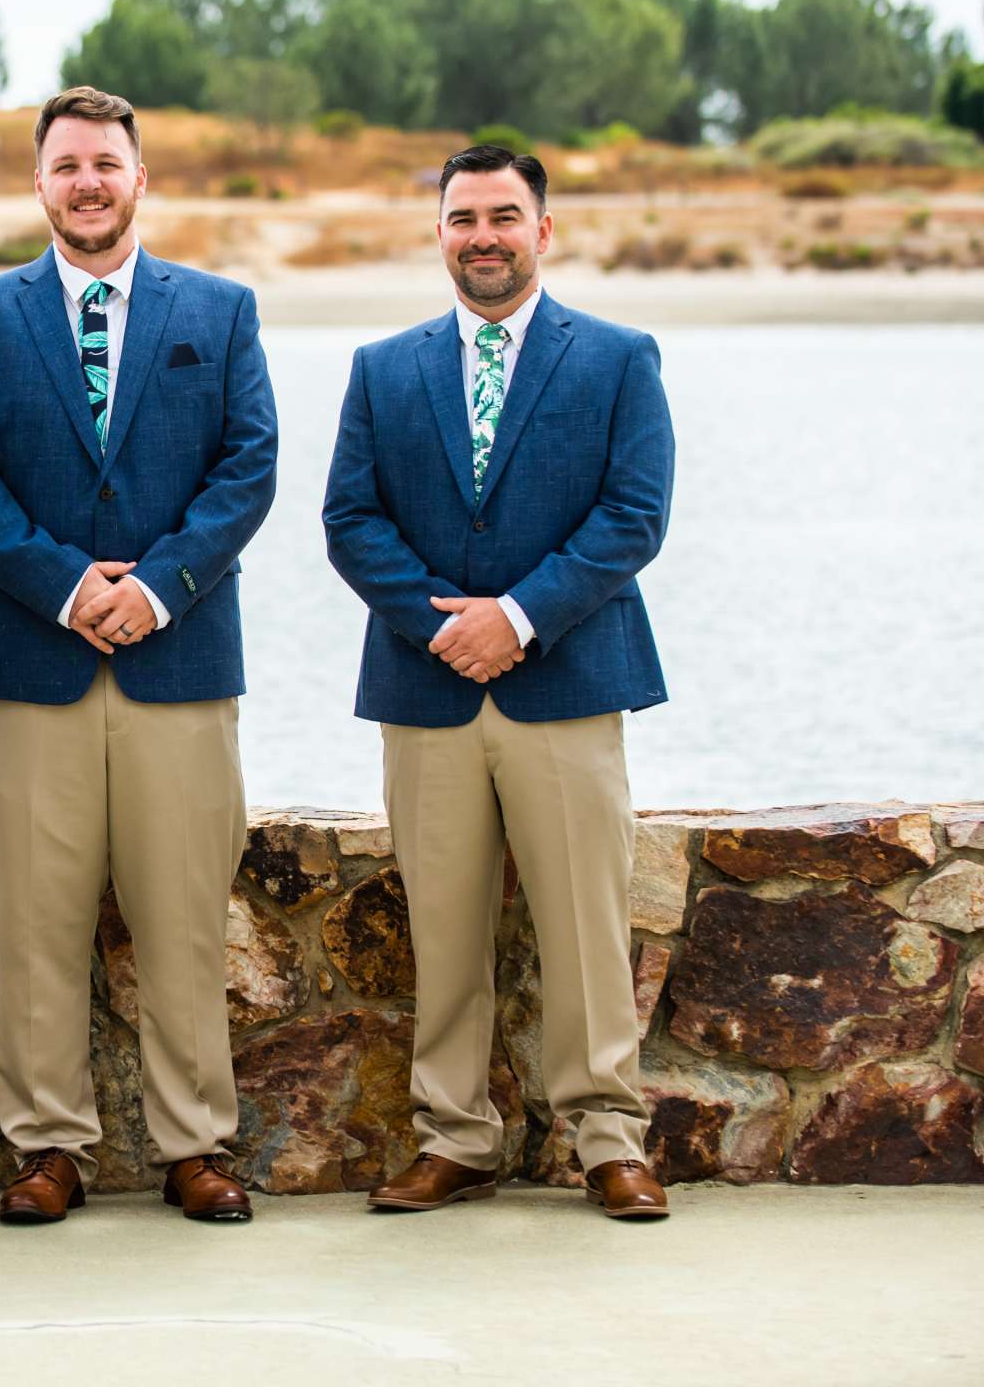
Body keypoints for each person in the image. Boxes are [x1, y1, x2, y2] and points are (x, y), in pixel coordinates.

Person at [0, 85, 278, 1225]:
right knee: (34, 919)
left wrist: (163, 587)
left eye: (107, 164)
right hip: (29, 660)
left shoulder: (220, 313)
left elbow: (248, 469)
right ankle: (48, 1146)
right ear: (39, 184)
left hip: (177, 665)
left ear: (142, 179)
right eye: (67, 164)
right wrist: (69, 585)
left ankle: (195, 1144)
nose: (88, 182)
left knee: (183, 914)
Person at [322, 142, 676, 1221]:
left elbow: (634, 514)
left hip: (567, 685)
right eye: (463, 217)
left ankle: (609, 1137)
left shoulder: (618, 358)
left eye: (504, 216)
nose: (484, 236)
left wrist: (516, 619)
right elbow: (350, 519)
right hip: (428, 692)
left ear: (543, 230)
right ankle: (455, 1136)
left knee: (583, 922)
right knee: (444, 927)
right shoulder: (385, 368)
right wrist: (448, 626)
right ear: (439, 232)